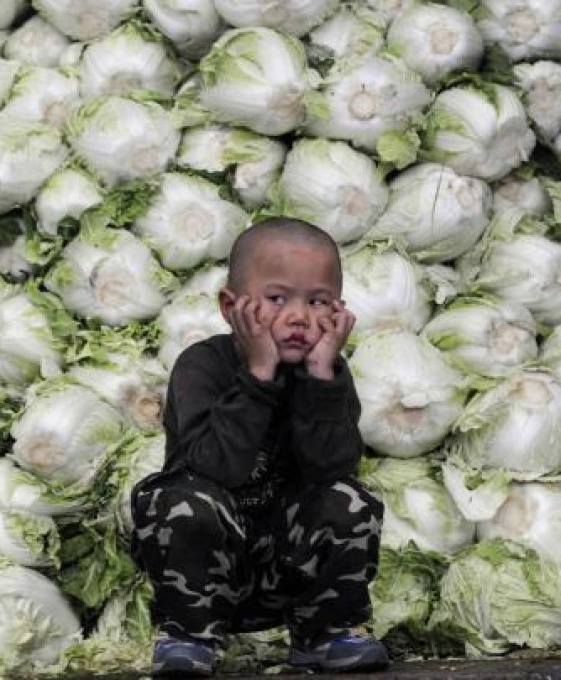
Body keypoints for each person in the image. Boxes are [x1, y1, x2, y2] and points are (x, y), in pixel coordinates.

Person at [130, 217, 388, 676]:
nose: (298, 316)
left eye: (317, 301)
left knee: (348, 498)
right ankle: (188, 636)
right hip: (208, 568)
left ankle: (325, 632)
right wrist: (257, 378)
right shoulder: (202, 365)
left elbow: (333, 466)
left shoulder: (327, 371)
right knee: (178, 499)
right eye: (276, 299)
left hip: (289, 566)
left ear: (338, 311)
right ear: (231, 307)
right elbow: (213, 469)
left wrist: (322, 380)